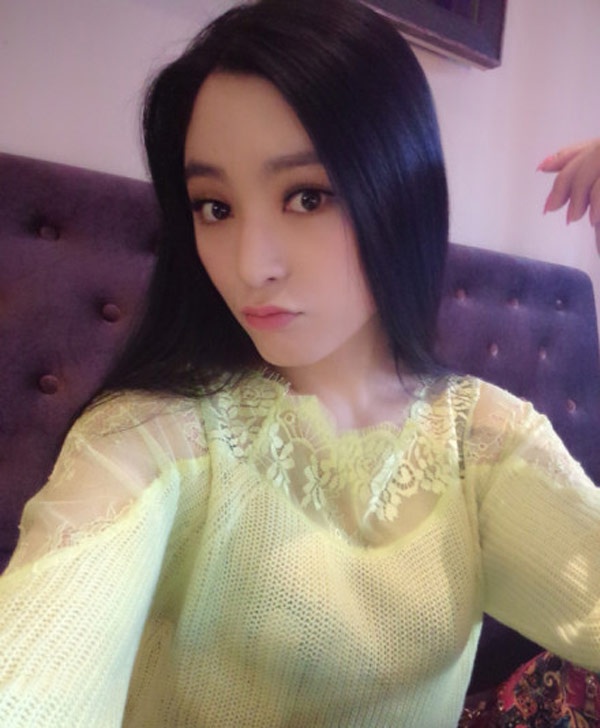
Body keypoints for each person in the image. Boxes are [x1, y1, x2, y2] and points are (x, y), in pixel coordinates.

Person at [0, 1, 599, 726]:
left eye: (307, 197)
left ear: (401, 194)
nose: (250, 265)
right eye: (214, 207)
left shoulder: (485, 444)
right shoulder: (152, 440)